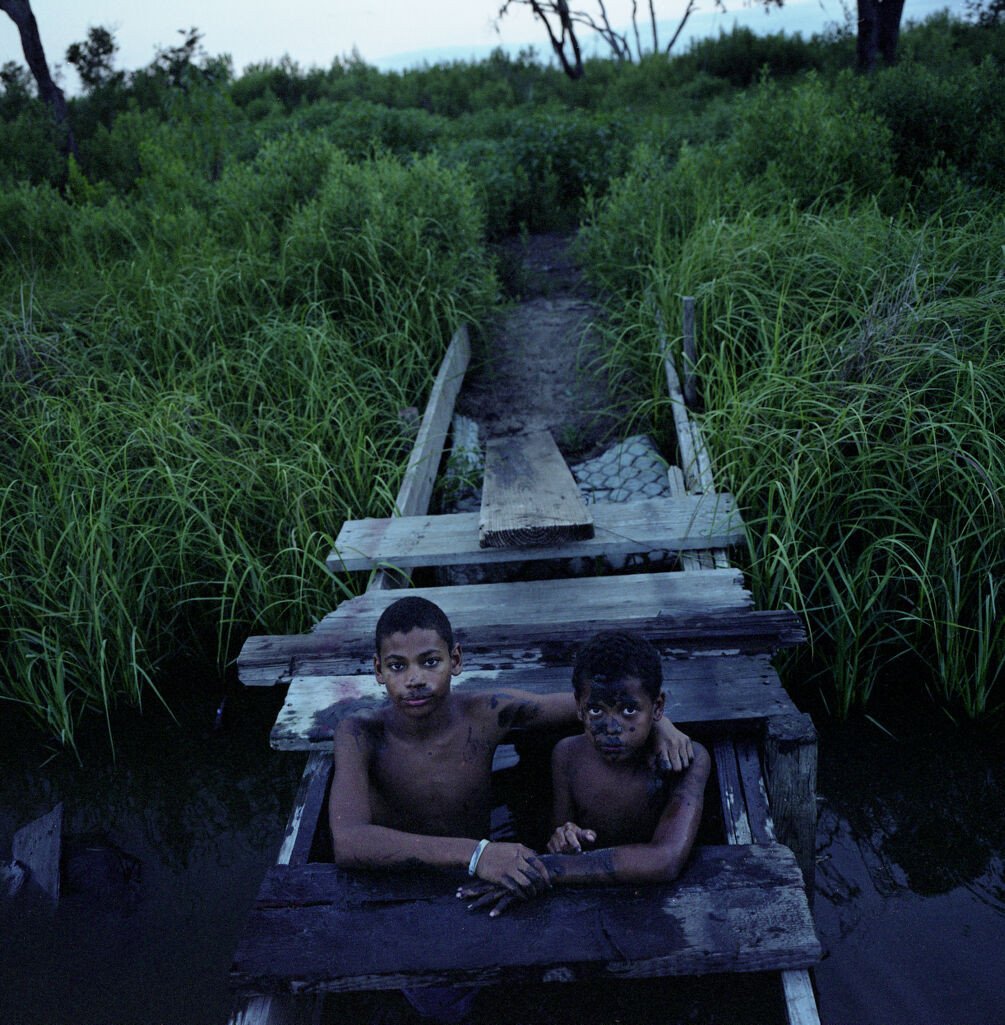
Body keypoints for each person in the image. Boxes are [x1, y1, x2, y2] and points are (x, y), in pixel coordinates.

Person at [328, 597, 694, 899]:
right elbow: (349, 841)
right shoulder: (359, 734)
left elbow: (593, 703)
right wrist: (478, 854)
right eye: (397, 666)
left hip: (487, 875)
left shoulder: (487, 711)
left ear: (454, 660)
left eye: (430, 662)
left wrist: (662, 725)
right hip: (401, 883)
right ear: (378, 670)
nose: (415, 680)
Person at [458, 629, 710, 917]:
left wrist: (547, 869)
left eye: (629, 710)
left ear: (658, 707)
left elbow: (665, 859)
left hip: (666, 905)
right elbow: (560, 839)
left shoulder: (687, 760)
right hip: (586, 897)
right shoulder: (567, 754)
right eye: (596, 711)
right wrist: (563, 840)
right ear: (579, 707)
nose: (611, 728)